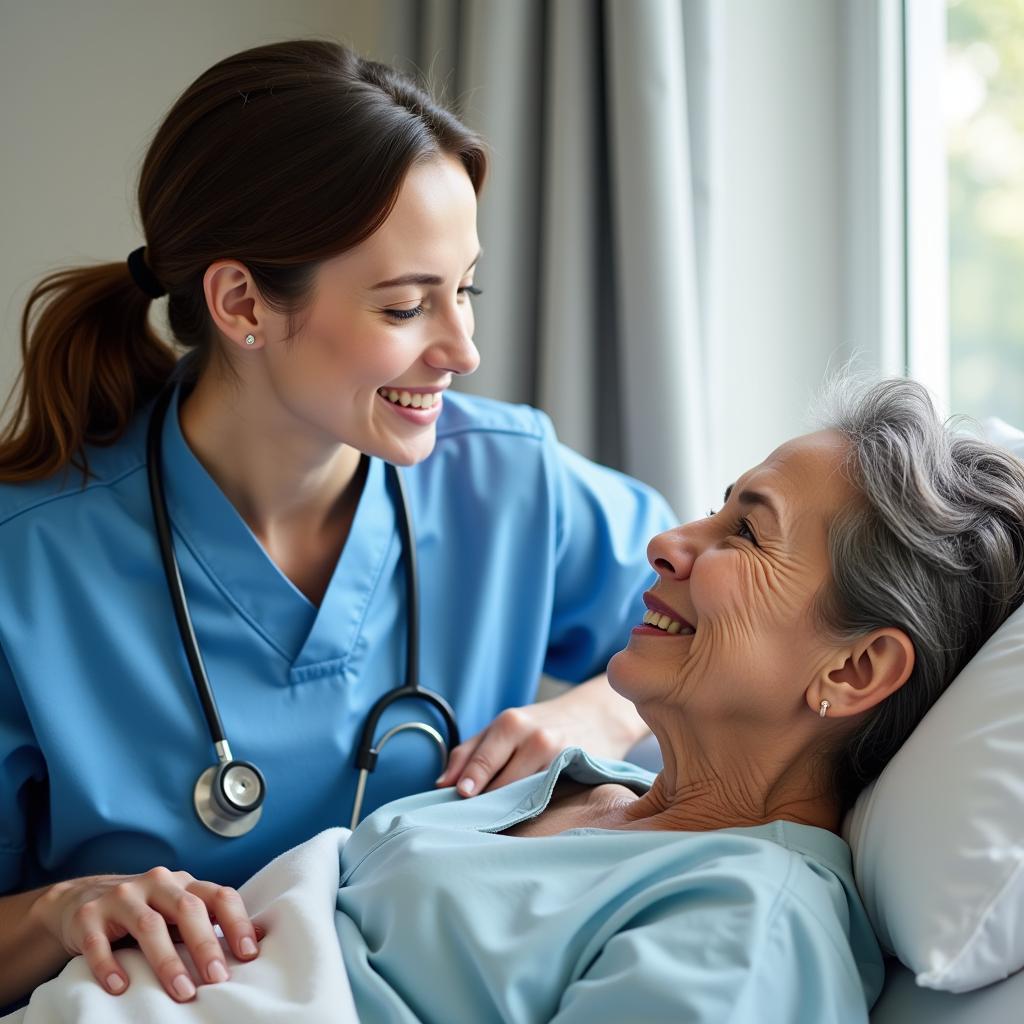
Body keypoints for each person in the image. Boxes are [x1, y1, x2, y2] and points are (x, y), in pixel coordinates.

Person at [0, 40, 674, 1008]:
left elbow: (743, 622)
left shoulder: (509, 483)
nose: (464, 349)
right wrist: (60, 911)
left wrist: (602, 707)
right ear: (242, 304)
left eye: (465, 289)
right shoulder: (27, 568)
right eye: (406, 305)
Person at [327, 376, 1024, 1022]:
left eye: (747, 532)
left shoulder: (746, 931)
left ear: (855, 671)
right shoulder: (587, 789)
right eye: (718, 507)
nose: (665, 543)